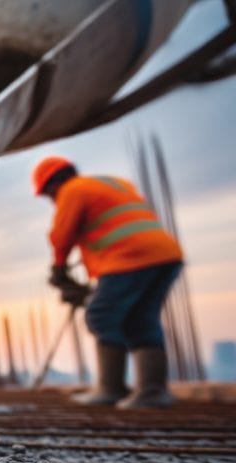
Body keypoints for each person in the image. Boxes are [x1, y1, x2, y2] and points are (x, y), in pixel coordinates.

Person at [33, 156, 183, 409]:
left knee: (101, 315)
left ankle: (110, 389)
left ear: (53, 185)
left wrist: (59, 269)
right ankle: (152, 391)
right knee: (141, 319)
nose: (51, 201)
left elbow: (62, 235)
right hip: (166, 255)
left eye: (48, 196)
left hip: (129, 258)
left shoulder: (72, 190)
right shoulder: (114, 183)